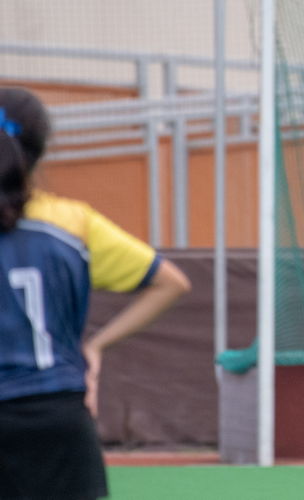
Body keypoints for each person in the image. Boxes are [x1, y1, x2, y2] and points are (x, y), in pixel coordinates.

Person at [0, 87, 191, 500]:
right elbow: (170, 282)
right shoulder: (73, 225)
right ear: (42, 147)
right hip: (58, 418)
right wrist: (96, 346)